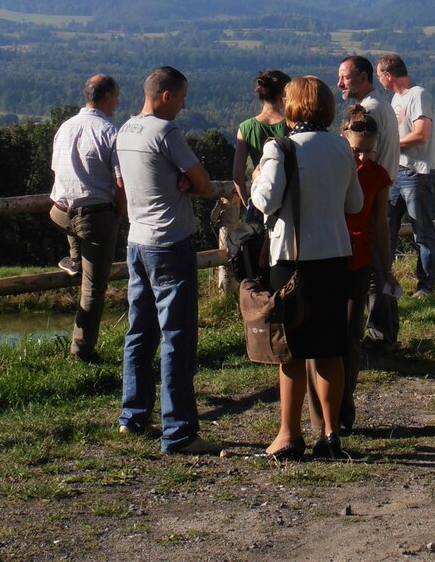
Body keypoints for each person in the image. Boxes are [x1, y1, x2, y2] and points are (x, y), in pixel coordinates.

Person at [250, 76, 363, 461]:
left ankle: (288, 434)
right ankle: (330, 435)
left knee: (291, 352)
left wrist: (254, 180)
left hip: (291, 258)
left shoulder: (279, 147)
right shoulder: (341, 148)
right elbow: (354, 204)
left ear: (293, 105)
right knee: (330, 348)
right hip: (334, 256)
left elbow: (265, 201)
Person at [115, 66, 218, 455]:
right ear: (166, 97)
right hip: (169, 241)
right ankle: (179, 432)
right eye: (183, 97)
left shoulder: (125, 130)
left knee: (139, 331)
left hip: (136, 240)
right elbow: (205, 183)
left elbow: (123, 181)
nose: (185, 104)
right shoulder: (166, 133)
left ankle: (133, 415)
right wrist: (187, 180)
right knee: (177, 336)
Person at [306, 105, 398, 435]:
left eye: (368, 152)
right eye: (357, 150)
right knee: (317, 339)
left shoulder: (377, 175)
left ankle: (344, 406)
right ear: (343, 140)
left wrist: (386, 268)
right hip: (325, 256)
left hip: (357, 261)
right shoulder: (328, 167)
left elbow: (380, 223)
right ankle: (321, 416)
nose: (362, 159)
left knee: (350, 338)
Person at [49, 74, 125, 363]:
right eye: (116, 96)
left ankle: (74, 258)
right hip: (94, 217)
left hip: (60, 212)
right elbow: (120, 183)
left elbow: (58, 172)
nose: (117, 102)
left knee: (73, 228)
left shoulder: (65, 127)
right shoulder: (109, 132)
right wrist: (119, 213)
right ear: (105, 97)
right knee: (94, 288)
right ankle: (82, 350)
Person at [337, 55, 401, 348]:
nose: (340, 83)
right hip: (379, 190)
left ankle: (379, 334)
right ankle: (383, 332)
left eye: (345, 77)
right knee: (377, 269)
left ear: (363, 77)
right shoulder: (384, 106)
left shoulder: (370, 111)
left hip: (369, 195)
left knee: (373, 273)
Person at [377, 53, 435, 299]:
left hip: (416, 173)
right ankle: (384, 283)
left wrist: (390, 144)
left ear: (388, 75)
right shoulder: (396, 98)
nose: (379, 80)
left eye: (379, 75)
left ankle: (425, 288)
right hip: (397, 172)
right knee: (387, 229)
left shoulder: (418, 95)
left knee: (422, 233)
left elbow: (421, 134)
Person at [232, 70, 291, 216]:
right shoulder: (291, 125)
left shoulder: (245, 127)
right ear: (283, 94)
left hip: (259, 200)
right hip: (287, 203)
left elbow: (237, 175)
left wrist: (247, 203)